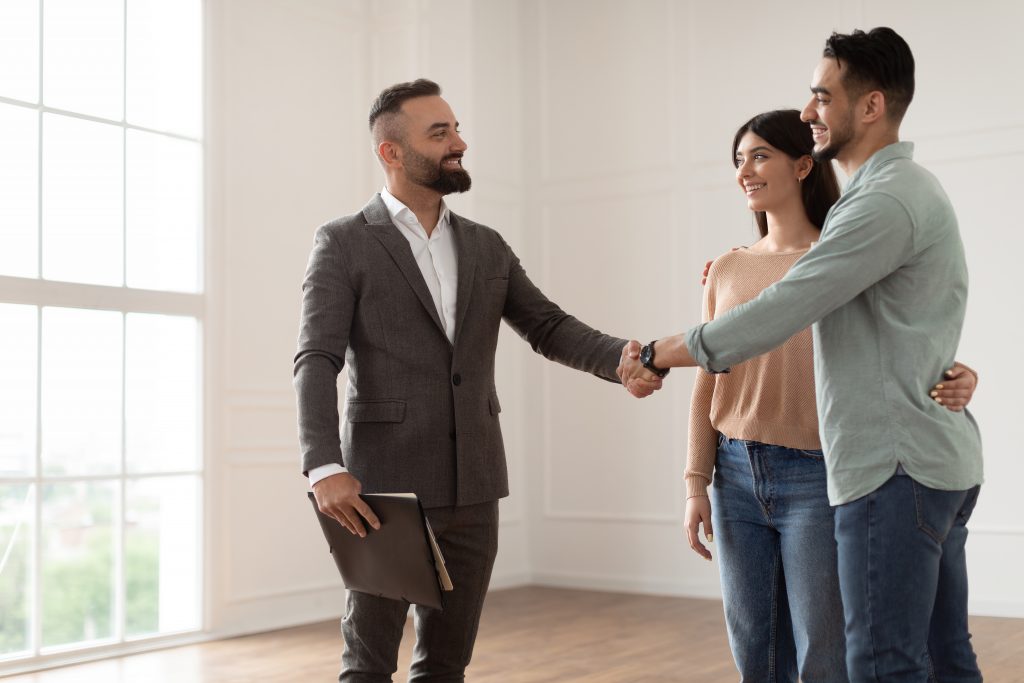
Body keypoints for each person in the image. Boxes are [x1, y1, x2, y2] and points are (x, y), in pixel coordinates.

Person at [621, 28, 984, 681]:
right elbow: (907, 318)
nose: (810, 111)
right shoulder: (862, 213)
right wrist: (695, 480)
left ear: (869, 107)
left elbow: (782, 312)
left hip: (866, 467)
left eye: (821, 96)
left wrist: (656, 351)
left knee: (870, 661)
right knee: (917, 655)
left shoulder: (872, 212)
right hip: (782, 467)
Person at [293, 78, 658, 682]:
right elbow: (316, 357)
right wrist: (323, 465)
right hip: (382, 490)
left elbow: (548, 326)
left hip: (475, 484)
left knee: (447, 663)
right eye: (440, 133)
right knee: (368, 662)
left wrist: (624, 358)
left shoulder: (486, 246)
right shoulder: (343, 242)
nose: (458, 142)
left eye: (457, 128)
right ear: (391, 151)